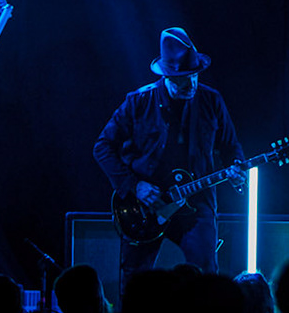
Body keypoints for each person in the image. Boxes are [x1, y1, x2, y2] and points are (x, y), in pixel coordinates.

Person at [94, 27, 244, 280]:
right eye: (183, 78)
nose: (192, 83)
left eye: (195, 75)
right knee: (135, 280)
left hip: (196, 204)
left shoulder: (211, 100)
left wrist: (237, 168)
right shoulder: (138, 101)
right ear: (166, 76)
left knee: (207, 278)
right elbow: (102, 147)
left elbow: (230, 147)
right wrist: (134, 185)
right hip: (144, 206)